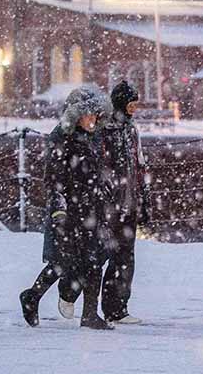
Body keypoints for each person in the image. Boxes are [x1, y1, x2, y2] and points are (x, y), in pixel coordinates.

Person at [57, 80, 151, 325]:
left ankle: (116, 308)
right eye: (131, 103)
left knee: (125, 257)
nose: (134, 108)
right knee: (97, 255)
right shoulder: (103, 131)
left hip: (127, 202)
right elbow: (95, 164)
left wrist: (144, 198)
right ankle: (69, 291)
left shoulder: (131, 131)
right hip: (106, 204)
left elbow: (139, 165)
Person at [19, 87, 114, 330]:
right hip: (69, 212)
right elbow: (53, 177)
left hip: (91, 208)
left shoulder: (93, 137)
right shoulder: (61, 137)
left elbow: (96, 171)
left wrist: (104, 189)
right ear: (77, 115)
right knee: (63, 263)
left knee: (93, 261)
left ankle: (90, 315)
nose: (94, 119)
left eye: (96, 114)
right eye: (89, 114)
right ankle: (33, 296)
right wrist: (59, 208)